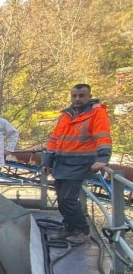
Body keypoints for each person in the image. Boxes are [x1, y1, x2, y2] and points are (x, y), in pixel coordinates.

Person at [42, 84, 112, 244]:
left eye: (81, 95)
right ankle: (69, 227)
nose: (77, 99)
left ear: (89, 96)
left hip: (80, 164)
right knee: (61, 199)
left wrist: (102, 159)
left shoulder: (96, 113)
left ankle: (82, 230)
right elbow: (54, 139)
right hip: (61, 164)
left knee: (68, 199)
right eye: (74, 96)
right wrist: (47, 161)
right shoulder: (66, 115)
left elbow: (103, 136)